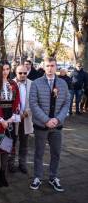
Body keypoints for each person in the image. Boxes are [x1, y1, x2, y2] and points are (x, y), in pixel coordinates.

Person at [29, 57, 70, 192]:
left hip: (57, 126)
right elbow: (34, 104)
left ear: (56, 67)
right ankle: (37, 177)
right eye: (47, 66)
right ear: (44, 67)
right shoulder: (36, 83)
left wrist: (57, 120)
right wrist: (46, 120)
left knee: (56, 153)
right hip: (41, 125)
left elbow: (66, 103)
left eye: (52, 66)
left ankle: (53, 177)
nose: (50, 68)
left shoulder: (63, 84)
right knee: (39, 153)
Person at [8, 65, 33, 174]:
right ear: (15, 72)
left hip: (26, 118)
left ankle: (22, 164)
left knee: (24, 143)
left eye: (25, 73)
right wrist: (16, 113)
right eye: (20, 73)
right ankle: (10, 164)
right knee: (12, 143)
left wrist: (28, 112)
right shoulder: (10, 83)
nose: (23, 75)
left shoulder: (32, 84)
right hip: (14, 119)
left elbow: (35, 101)